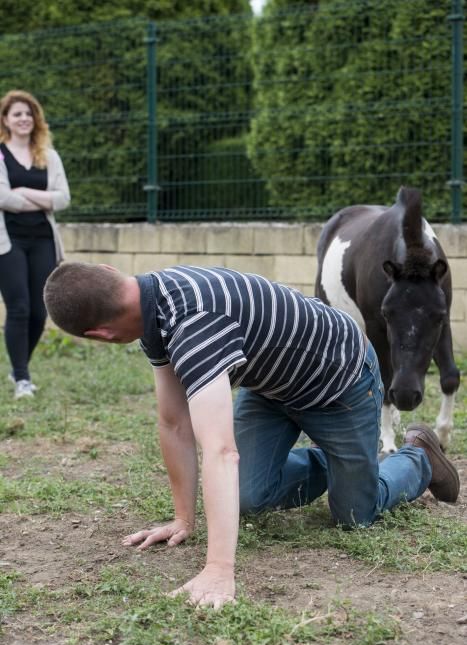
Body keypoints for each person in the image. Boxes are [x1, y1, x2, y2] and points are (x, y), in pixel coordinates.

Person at [44, 262, 460, 608]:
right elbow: (174, 422)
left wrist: (218, 570)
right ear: (111, 271)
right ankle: (341, 465)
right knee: (244, 497)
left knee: (355, 514)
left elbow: (221, 450)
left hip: (340, 384)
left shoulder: (195, 323)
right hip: (273, 389)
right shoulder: (153, 306)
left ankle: (416, 457)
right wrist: (184, 518)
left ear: (101, 336)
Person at [0, 90, 70, 399]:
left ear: (35, 119)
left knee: (39, 312)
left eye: (28, 113)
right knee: (19, 307)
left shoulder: (49, 155)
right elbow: (2, 198)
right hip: (8, 241)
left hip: (43, 239)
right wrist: (44, 201)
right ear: (5, 120)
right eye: (17, 113)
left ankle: (18, 370)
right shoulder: (0, 153)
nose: (24, 118)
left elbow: (63, 198)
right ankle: (23, 380)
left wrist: (25, 190)